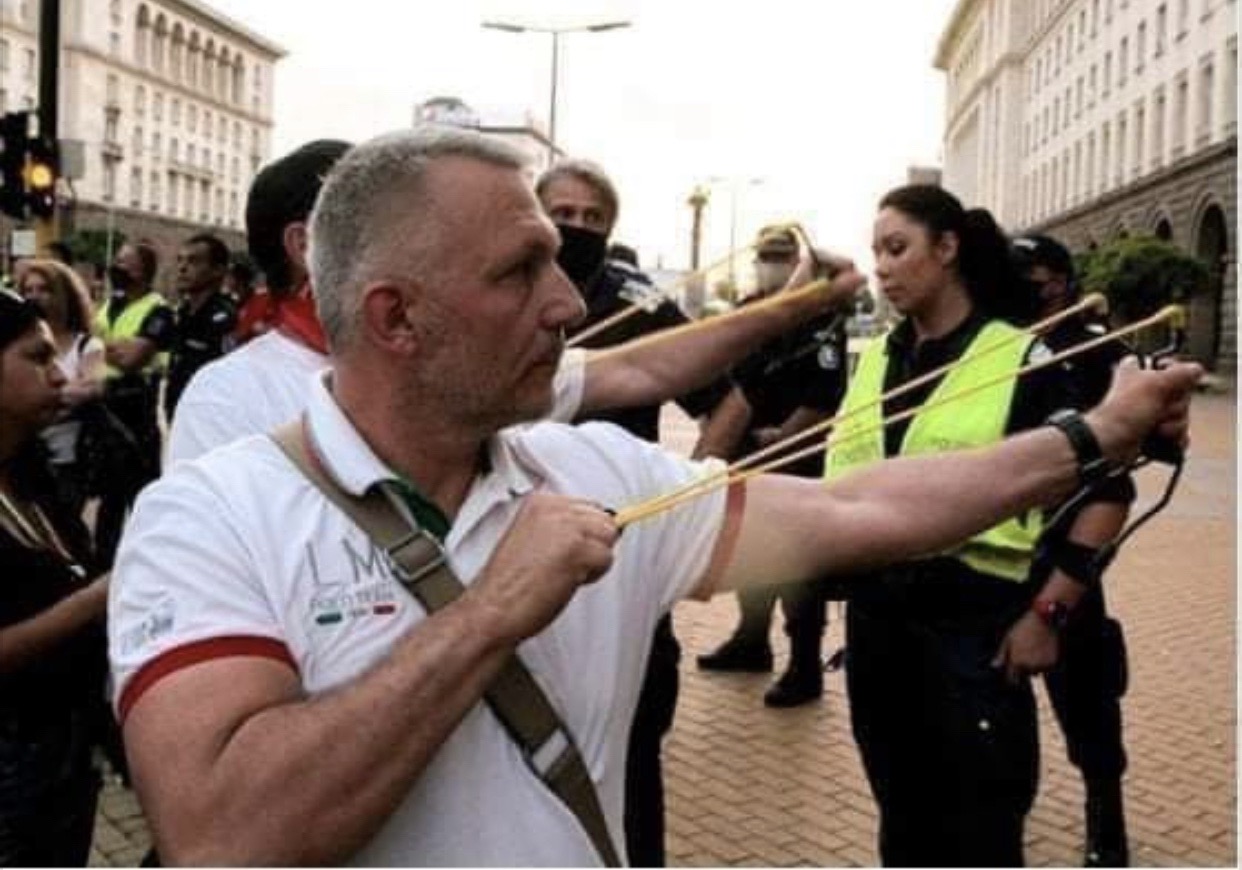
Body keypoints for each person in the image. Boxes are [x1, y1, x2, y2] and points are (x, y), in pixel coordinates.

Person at [108, 129, 1198, 867]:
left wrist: (1092, 435)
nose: (566, 302)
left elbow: (858, 511)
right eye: (520, 271)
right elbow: (224, 838)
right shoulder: (206, 516)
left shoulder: (595, 473)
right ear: (397, 317)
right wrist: (491, 614)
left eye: (560, 260)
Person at [169, 139, 859, 466]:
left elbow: (640, 368)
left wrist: (788, 308)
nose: (562, 308)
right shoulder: (230, 400)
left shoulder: (466, 361)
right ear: (307, 244)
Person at [826, 185, 1137, 867]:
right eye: (876, 251)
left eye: (897, 248)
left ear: (947, 248)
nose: (882, 267)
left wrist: (1049, 615)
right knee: (902, 829)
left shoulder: (1020, 360)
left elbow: (1108, 492)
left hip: (974, 639)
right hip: (879, 636)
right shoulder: (875, 359)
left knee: (981, 837)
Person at [536, 157, 733, 866]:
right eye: (563, 215)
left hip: (621, 549)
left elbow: (727, 399)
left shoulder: (639, 299)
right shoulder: (499, 286)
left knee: (637, 745)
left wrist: (681, 494)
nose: (577, 228)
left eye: (593, 218)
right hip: (516, 540)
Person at [1013, 233, 1134, 867]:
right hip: (994, 557)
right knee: (994, 701)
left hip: (1067, 552)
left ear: (1058, 281)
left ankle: (1105, 818)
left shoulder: (1096, 350)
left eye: (1030, 275)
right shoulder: (993, 344)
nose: (1020, 287)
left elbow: (1119, 472)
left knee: (1086, 696)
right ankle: (1002, 814)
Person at [696, 225, 850, 708]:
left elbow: (823, 399)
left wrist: (781, 440)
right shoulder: (751, 313)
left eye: (782, 257)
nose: (772, 265)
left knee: (797, 568)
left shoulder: (821, 320)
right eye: (766, 256)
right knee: (751, 552)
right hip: (746, 454)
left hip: (793, 459)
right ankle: (751, 639)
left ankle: (804, 666)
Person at [0, 288, 110, 866]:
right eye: (37, 357)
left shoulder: (29, 470)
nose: (60, 374)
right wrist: (94, 600)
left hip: (62, 760)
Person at [93, 241, 174, 569]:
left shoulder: (159, 311)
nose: (116, 266)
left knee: (143, 500)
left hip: (135, 412)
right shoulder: (111, 304)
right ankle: (101, 569)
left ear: (143, 270)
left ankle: (151, 567)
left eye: (124, 261)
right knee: (108, 501)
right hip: (104, 408)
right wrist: (112, 347)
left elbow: (131, 360)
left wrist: (98, 345)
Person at [15, 260, 106, 513]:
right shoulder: (16, 343)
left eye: (44, 289)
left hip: (66, 464)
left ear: (63, 295)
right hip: (21, 457)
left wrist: (33, 400)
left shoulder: (87, 345)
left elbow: (92, 387)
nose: (34, 297)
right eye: (28, 290)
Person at [165, 233, 238, 420]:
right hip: (179, 413)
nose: (182, 268)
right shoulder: (183, 312)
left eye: (193, 261)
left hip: (208, 417)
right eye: (180, 260)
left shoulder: (224, 319)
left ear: (218, 270)